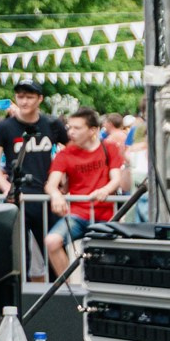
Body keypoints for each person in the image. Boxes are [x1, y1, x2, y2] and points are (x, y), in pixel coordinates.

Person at [0, 83, 59, 275]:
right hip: (17, 199)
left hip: (45, 198)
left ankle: (60, 292)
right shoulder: (4, 127)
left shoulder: (51, 124)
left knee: (53, 254)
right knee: (18, 258)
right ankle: (19, 293)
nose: (24, 101)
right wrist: (7, 188)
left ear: (40, 99)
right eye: (20, 96)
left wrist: (61, 182)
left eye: (29, 97)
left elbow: (72, 152)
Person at [44, 109, 125, 276]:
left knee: (105, 259)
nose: (71, 132)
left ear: (92, 130)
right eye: (69, 127)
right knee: (52, 241)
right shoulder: (65, 153)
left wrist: (105, 190)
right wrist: (56, 195)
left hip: (106, 214)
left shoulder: (109, 148)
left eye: (77, 128)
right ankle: (66, 287)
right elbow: (51, 184)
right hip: (77, 214)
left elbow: (116, 178)